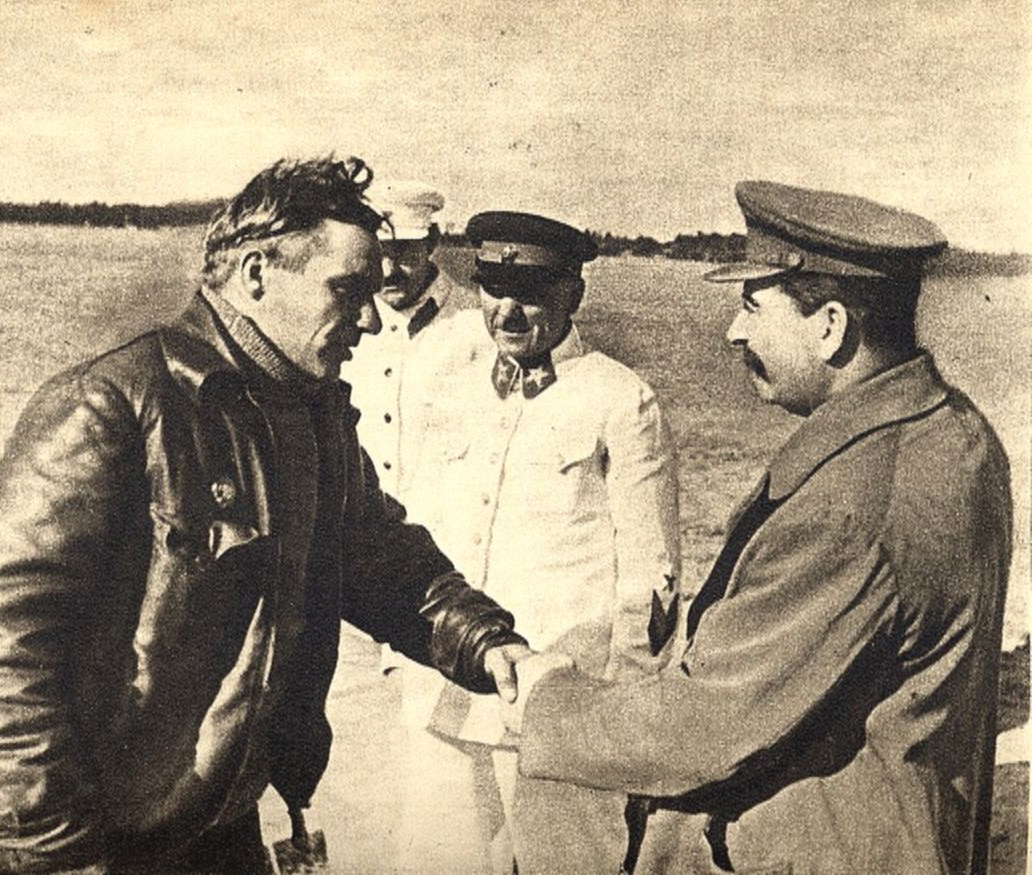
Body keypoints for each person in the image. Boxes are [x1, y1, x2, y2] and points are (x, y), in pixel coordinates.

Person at [0, 156, 537, 875]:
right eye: (347, 290)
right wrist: (56, 846)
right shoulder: (115, 402)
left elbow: (377, 557)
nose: (370, 321)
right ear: (255, 274)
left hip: (220, 826)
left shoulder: (313, 415)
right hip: (96, 842)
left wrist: (486, 642)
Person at [506, 181, 1013, 874]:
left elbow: (702, 728)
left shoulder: (851, 507)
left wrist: (546, 701)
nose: (733, 331)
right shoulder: (954, 430)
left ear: (830, 326)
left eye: (751, 304)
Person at [387, 211, 681, 873]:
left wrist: (615, 715)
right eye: (493, 288)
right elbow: (415, 529)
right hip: (445, 694)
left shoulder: (621, 400)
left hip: (556, 711)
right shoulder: (451, 385)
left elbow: (651, 579)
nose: (508, 310)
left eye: (531, 292)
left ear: (573, 293)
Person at [342, 178, 474, 502]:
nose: (388, 270)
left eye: (403, 250)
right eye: (377, 253)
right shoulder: (344, 327)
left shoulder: (477, 324)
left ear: (432, 241)